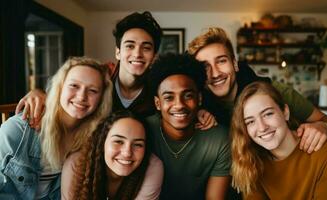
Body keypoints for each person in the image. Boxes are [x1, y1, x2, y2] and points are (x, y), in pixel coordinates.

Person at [16, 11, 215, 130]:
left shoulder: (158, 88)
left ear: (154, 55)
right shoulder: (99, 77)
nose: (137, 54)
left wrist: (200, 112)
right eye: (130, 46)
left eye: (146, 48)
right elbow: (66, 91)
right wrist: (40, 93)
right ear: (118, 52)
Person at [188, 27, 327, 154]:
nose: (215, 73)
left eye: (221, 61)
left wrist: (323, 127)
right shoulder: (198, 105)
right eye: (205, 66)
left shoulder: (274, 91)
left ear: (235, 64)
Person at [0, 57, 113, 199]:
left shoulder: (93, 139)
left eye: (93, 90)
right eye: (74, 86)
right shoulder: (18, 130)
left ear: (101, 99)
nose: (82, 96)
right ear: (60, 87)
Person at [230, 81, 327, 199]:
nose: (262, 127)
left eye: (268, 114)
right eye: (250, 122)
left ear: (285, 112)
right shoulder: (251, 162)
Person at [146, 53, 231, 200]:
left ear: (199, 99)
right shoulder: (143, 131)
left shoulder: (220, 139)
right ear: (158, 103)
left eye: (188, 96)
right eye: (168, 97)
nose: (179, 105)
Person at [61, 110, 163, 200]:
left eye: (137, 145)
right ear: (102, 143)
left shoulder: (153, 166)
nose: (127, 153)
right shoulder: (75, 164)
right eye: (118, 141)